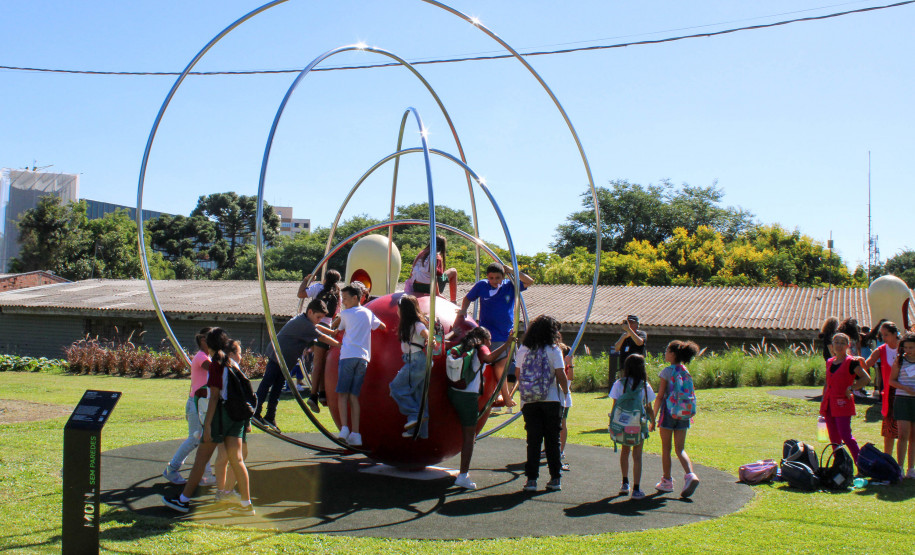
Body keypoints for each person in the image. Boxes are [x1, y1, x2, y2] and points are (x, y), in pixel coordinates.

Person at [163, 328, 255, 515]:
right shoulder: (232, 363)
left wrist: (208, 426)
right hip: (236, 417)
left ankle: (183, 500)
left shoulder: (216, 364)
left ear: (210, 344)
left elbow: (214, 397)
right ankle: (247, 504)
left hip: (221, 415)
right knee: (237, 460)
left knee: (201, 458)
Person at [252, 299, 339, 432]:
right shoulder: (304, 324)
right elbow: (321, 337)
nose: (319, 320)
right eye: (318, 317)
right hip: (278, 356)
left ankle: (270, 416)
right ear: (310, 312)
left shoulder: (306, 320)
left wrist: (332, 332)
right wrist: (340, 345)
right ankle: (255, 411)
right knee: (267, 383)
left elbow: (318, 327)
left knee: (277, 387)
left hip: (285, 360)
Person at [446, 326, 515, 490]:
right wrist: (507, 345)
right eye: (489, 339)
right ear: (483, 339)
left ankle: (462, 473)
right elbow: (490, 358)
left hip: (454, 391)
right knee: (470, 436)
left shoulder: (464, 345)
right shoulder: (480, 347)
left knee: (465, 431)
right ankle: (463, 475)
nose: (490, 343)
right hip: (468, 396)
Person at [457, 262, 534, 410]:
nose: (494, 281)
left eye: (497, 278)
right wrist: (463, 310)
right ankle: (500, 396)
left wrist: (512, 270)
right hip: (487, 334)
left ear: (503, 277)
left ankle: (503, 396)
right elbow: (467, 298)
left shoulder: (509, 285)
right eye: (491, 278)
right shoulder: (482, 286)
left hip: (504, 334)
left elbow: (529, 281)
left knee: (501, 365)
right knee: (491, 365)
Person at [517, 315, 569, 493]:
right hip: (551, 398)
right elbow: (560, 374)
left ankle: (531, 480)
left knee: (533, 440)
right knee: (552, 441)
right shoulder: (554, 350)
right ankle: (555, 478)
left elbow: (518, 373)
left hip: (529, 400)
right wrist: (565, 391)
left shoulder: (523, 349)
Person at [163, 327, 217, 486]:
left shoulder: (206, 356)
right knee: (195, 438)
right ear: (203, 340)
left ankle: (205, 476)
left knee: (202, 440)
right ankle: (172, 468)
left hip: (201, 404)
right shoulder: (202, 357)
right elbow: (215, 370)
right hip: (196, 404)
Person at [334, 284, 386, 447]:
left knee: (342, 394)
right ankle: (356, 433)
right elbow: (382, 327)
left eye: (346, 299)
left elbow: (336, 328)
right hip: (363, 358)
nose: (344, 302)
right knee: (354, 396)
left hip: (348, 355)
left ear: (355, 297)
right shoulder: (368, 313)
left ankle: (344, 428)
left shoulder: (346, 314)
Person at [653, 340, 700, 497]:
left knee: (666, 448)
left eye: (667, 350)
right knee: (680, 448)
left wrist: (653, 417)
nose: (665, 353)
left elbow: (660, 396)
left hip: (668, 412)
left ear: (673, 354)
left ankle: (667, 481)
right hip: (684, 413)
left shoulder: (667, 372)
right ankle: (690, 475)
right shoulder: (685, 370)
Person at [609, 354, 656, 499]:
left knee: (624, 451)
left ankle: (624, 483)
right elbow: (648, 407)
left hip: (623, 424)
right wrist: (653, 421)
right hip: (638, 425)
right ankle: (636, 488)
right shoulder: (645, 385)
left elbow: (615, 405)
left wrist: (612, 422)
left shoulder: (619, 384)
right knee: (637, 455)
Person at [819, 332, 870, 464]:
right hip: (829, 404)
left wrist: (852, 388)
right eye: (837, 342)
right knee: (834, 438)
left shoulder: (851, 362)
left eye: (843, 343)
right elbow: (827, 383)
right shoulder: (830, 362)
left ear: (848, 346)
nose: (839, 345)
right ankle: (840, 466)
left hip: (843, 404)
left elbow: (866, 378)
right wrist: (823, 403)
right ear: (832, 346)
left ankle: (861, 465)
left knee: (846, 436)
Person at [389, 294, 435, 438]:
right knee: (419, 395)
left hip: (416, 361)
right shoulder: (410, 325)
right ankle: (419, 431)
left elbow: (426, 333)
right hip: (414, 360)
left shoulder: (417, 324)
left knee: (396, 387)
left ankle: (414, 415)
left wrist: (430, 339)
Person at [299, 270, 343, 412]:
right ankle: (317, 394)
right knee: (320, 361)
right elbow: (336, 314)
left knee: (319, 362)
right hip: (325, 326)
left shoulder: (318, 288)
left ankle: (317, 394)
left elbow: (301, 294)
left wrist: (306, 280)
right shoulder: (338, 293)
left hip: (312, 325)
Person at [214, 339, 249, 506]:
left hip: (233, 414)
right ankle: (225, 491)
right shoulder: (228, 368)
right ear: (231, 354)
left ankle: (225, 490)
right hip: (230, 413)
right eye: (239, 353)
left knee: (234, 455)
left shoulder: (231, 368)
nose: (241, 356)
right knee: (227, 455)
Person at [862, 320, 900, 454]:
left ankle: (905, 467)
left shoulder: (905, 347)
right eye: (882, 335)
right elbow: (866, 364)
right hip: (889, 395)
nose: (883, 338)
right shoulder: (881, 350)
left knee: (907, 431)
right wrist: (857, 360)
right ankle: (888, 459)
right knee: (889, 431)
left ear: (895, 334)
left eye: (886, 335)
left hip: (907, 393)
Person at [888, 332, 915, 478]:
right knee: (903, 434)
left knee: (914, 437)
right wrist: (905, 388)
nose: (908, 350)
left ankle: (911, 469)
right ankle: (900, 467)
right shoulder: (899, 360)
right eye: (906, 347)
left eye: (911, 347)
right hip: (903, 399)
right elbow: (891, 381)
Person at [406, 236, 457, 302]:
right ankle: (453, 300)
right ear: (442, 247)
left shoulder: (421, 253)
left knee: (442, 276)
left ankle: (445, 281)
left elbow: (412, 272)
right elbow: (434, 275)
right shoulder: (436, 256)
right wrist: (437, 293)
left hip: (416, 286)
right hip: (428, 288)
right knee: (453, 271)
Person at [613, 315, 647, 380]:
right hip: (624, 368)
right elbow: (616, 348)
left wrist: (629, 330)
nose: (630, 325)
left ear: (637, 324)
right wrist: (623, 337)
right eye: (629, 323)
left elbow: (639, 342)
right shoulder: (624, 336)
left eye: (632, 323)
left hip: (637, 368)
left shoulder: (641, 334)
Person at [558, 342, 574, 472]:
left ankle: (561, 450)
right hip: (553, 397)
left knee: (562, 424)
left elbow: (570, 378)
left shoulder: (567, 366)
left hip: (563, 399)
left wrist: (570, 363)